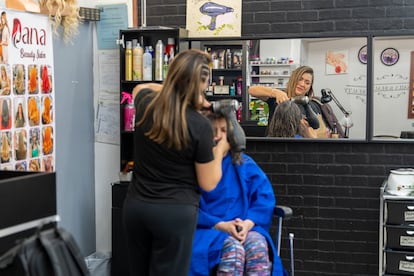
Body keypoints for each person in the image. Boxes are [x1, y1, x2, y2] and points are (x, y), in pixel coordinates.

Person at [122, 49, 230, 276]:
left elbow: (139, 88)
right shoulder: (199, 125)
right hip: (174, 215)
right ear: (200, 85)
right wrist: (221, 147)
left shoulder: (146, 104)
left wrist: (178, 92)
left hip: (136, 209)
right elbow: (209, 182)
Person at [190, 112, 286, 276]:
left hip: (244, 227)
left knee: (257, 247)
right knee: (233, 251)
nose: (219, 136)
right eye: (213, 131)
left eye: (224, 130)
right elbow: (187, 207)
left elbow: (264, 198)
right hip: (208, 229)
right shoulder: (195, 167)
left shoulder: (244, 164)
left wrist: (248, 223)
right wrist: (221, 225)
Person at [249, 66, 336, 137]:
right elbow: (251, 90)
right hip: (274, 147)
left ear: (310, 87)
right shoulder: (278, 98)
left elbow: (315, 137)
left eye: (307, 82)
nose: (302, 84)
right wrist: (274, 92)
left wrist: (305, 132)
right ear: (293, 79)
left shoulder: (312, 106)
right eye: (300, 79)